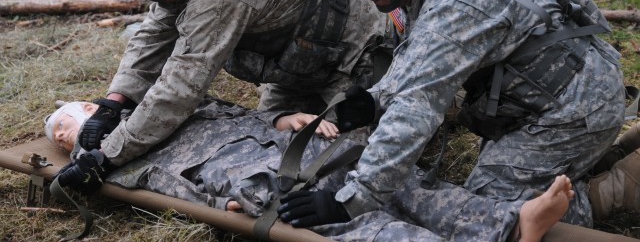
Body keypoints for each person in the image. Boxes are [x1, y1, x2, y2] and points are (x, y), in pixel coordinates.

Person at [275, 0, 635, 229]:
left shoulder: (456, 6)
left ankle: (619, 187)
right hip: (542, 96)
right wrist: (375, 99)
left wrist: (351, 202)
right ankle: (608, 156)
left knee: (491, 214)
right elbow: (415, 62)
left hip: (574, 109)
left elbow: (416, 108)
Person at [53, 0, 393, 193]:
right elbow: (154, 31)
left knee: (345, 162)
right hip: (296, 62)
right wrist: (114, 103)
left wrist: (108, 156)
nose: (158, 0)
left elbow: (178, 89)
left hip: (352, 54)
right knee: (271, 134)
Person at [46, 98, 576, 242]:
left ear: (92, 109)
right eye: (58, 139)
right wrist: (216, 206)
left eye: (64, 125)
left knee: (399, 183)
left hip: (291, 145)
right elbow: (163, 184)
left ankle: (509, 222)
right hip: (253, 179)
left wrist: (279, 116)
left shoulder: (164, 103)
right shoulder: (112, 161)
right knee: (347, 221)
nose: (63, 138)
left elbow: (229, 108)